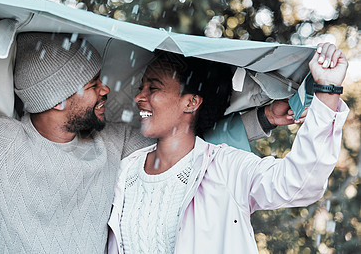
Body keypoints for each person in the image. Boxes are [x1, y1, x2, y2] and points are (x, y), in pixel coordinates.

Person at [0, 0, 305, 253]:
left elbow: (181, 144)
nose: (106, 91)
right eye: (93, 84)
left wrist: (262, 118)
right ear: (57, 100)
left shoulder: (112, 144)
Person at [107, 46, 349, 253]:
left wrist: (327, 90)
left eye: (154, 88)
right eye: (142, 87)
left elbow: (299, 183)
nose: (139, 96)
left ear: (191, 102)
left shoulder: (226, 168)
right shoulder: (126, 168)